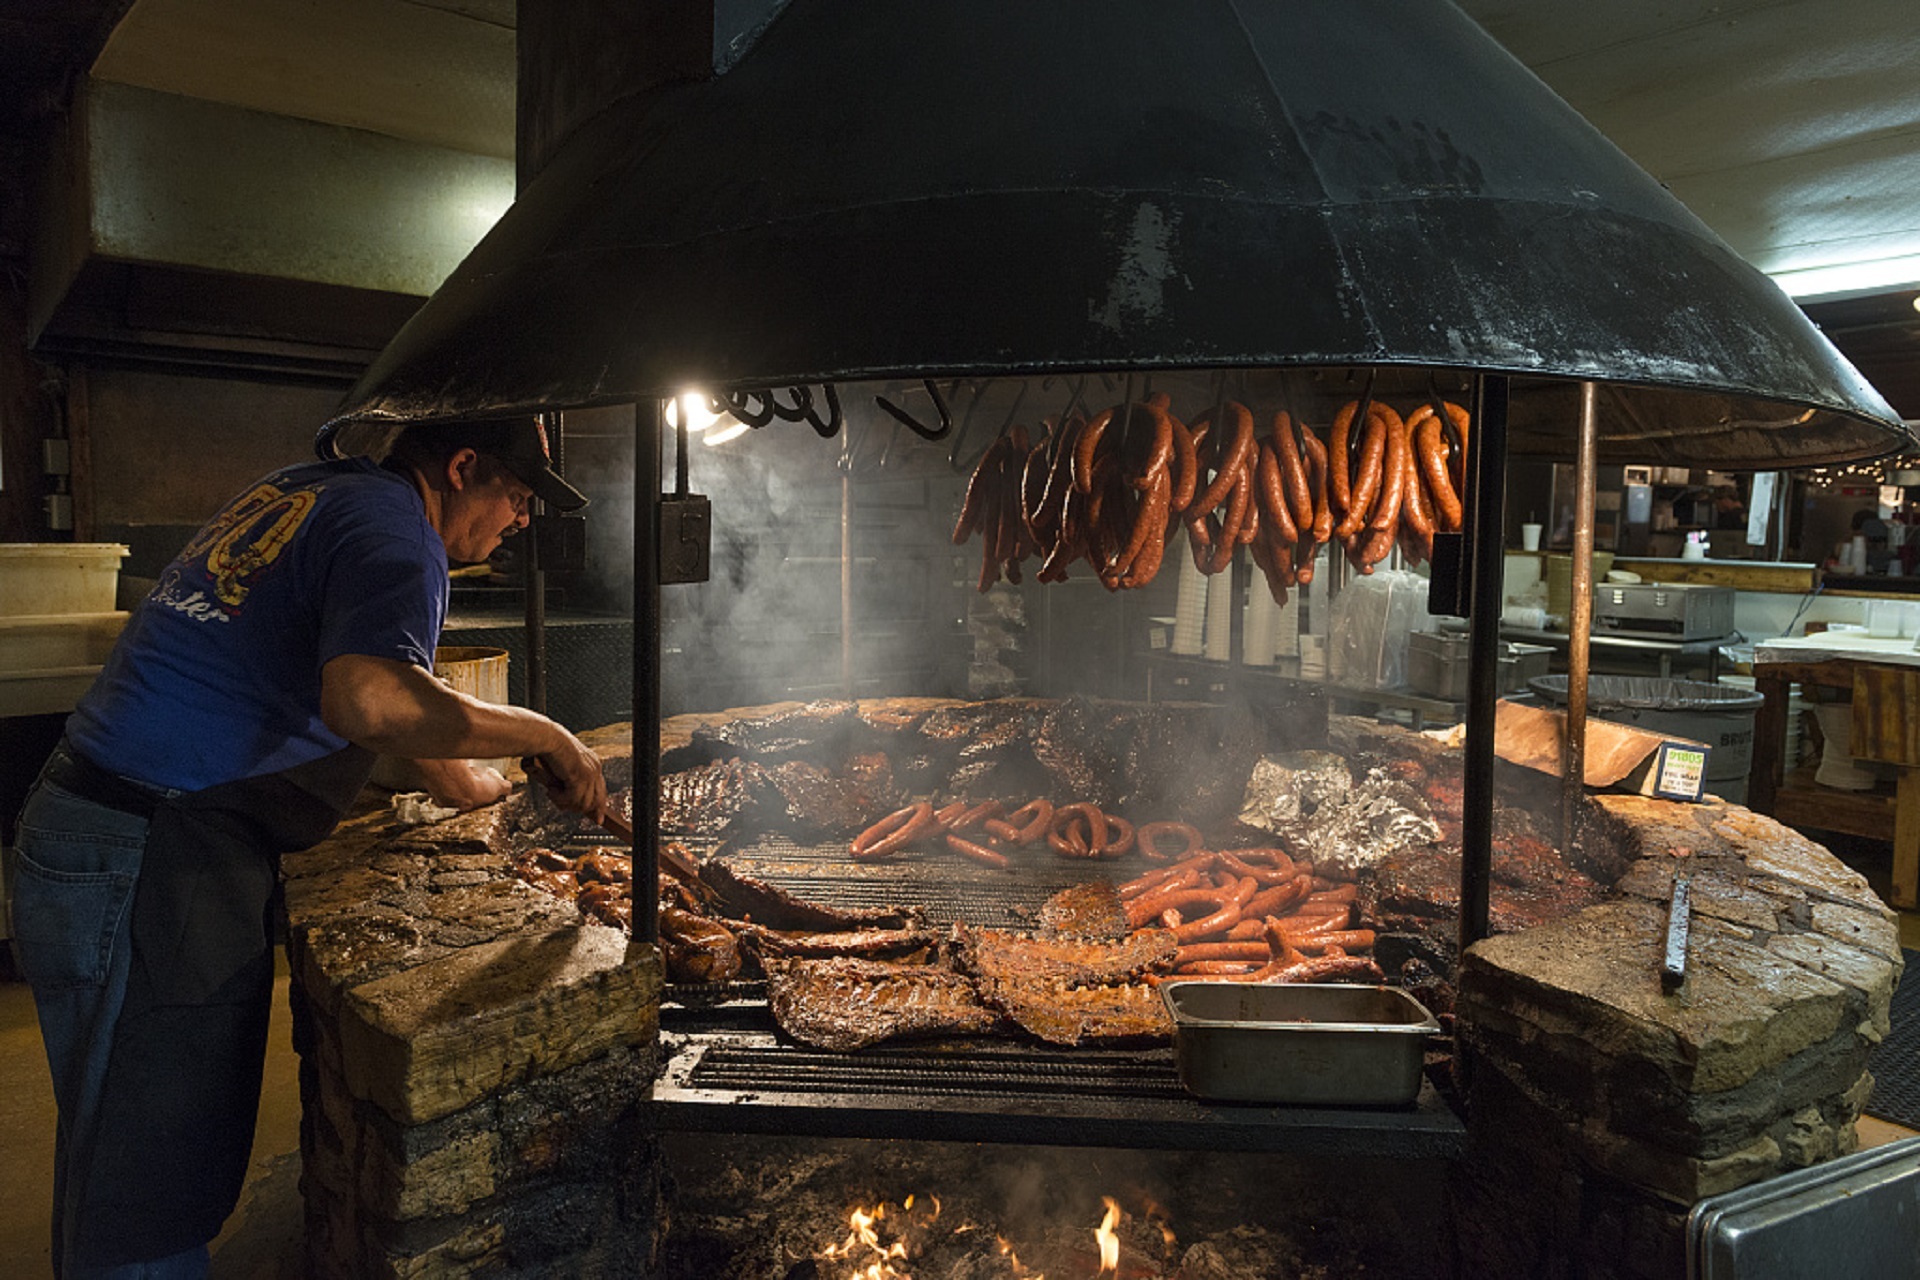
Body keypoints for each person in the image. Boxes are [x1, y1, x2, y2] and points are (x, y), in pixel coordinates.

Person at [9, 416, 610, 1278]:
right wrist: (544, 733)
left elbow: (365, 672)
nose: (518, 520)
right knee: (147, 1178)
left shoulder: (316, 490)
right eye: (514, 497)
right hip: (144, 853)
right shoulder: (402, 538)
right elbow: (367, 698)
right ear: (462, 466)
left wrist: (461, 780)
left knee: (115, 1148)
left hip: (110, 831)